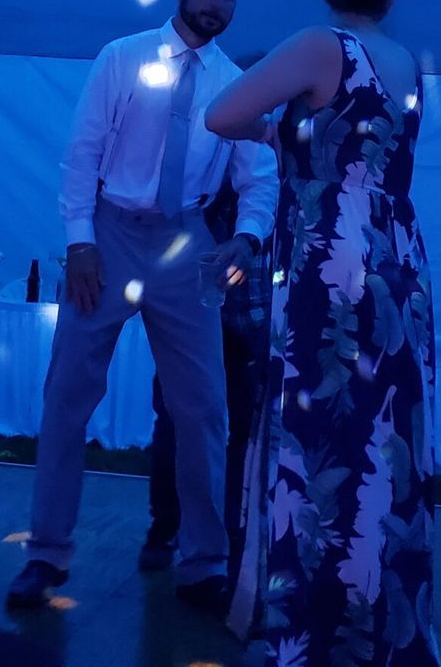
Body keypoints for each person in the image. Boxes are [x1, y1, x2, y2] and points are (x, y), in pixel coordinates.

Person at [6, 0, 279, 615]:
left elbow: (259, 177)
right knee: (68, 395)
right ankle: (46, 552)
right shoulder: (123, 57)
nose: (219, 3)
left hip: (188, 243)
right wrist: (80, 242)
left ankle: (204, 562)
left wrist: (247, 235)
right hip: (111, 229)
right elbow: (83, 153)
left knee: (204, 409)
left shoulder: (233, 82)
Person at [205, 0, 441, 663]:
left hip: (330, 260)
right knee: (384, 434)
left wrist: (280, 135)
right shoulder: (406, 60)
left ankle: (309, 624)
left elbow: (224, 113)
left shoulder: (319, 46)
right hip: (398, 261)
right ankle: (376, 618)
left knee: (319, 431)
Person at [140, 167, 273, 586]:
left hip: (225, 313)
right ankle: (177, 530)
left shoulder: (237, 168)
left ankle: (200, 532)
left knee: (219, 428)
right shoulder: (211, 175)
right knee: (189, 423)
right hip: (200, 310)